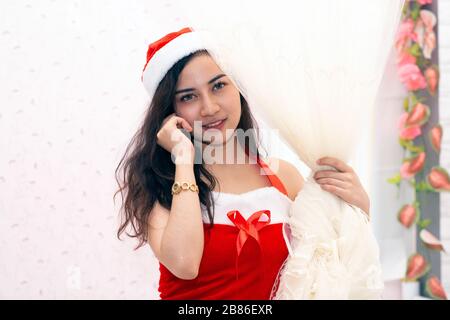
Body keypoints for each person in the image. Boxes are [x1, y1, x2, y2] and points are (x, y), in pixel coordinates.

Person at [115, 27, 370, 300]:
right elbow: (184, 264)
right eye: (188, 96)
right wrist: (183, 158)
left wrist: (360, 208)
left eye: (218, 85)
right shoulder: (162, 185)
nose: (210, 107)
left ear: (239, 88)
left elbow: (333, 265)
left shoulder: (285, 177)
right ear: (171, 111)